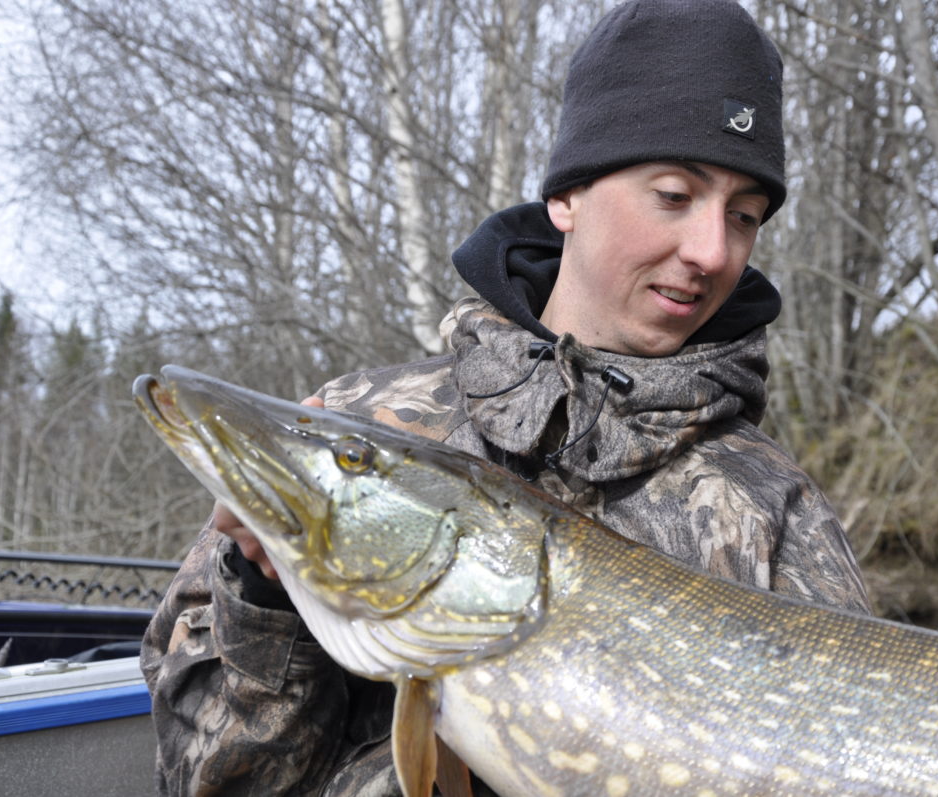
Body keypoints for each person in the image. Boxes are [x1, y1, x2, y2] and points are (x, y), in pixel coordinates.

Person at [141, 1, 870, 794]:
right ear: (567, 197)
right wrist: (265, 603)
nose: (710, 250)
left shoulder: (774, 506)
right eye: (673, 194)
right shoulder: (355, 418)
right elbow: (207, 782)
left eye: (744, 215)